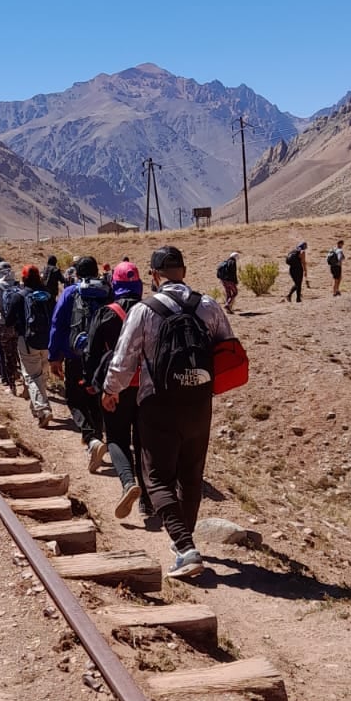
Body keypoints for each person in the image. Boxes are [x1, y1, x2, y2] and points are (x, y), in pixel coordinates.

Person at [101, 245, 233, 580]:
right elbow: (227, 347)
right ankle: (183, 543)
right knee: (190, 475)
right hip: (200, 402)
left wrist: (110, 391)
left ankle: (186, 548)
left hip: (157, 402)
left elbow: (124, 357)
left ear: (154, 275)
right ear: (184, 272)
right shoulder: (208, 305)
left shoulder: (145, 310)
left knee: (156, 477)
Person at [84, 260, 151, 518]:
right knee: (144, 441)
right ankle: (147, 501)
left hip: (116, 387)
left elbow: (91, 352)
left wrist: (92, 383)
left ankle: (127, 482)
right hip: (147, 387)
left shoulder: (106, 313)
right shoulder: (151, 311)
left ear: (115, 285)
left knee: (116, 438)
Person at [48, 256, 111, 462]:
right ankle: (98, 437)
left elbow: (57, 325)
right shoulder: (107, 291)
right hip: (102, 356)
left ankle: (91, 439)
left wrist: (54, 356)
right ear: (97, 271)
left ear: (77, 273)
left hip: (75, 354)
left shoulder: (70, 292)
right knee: (95, 397)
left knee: (75, 399)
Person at [17, 265, 54, 426]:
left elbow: (9, 318)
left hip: (28, 342)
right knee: (41, 374)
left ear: (24, 278)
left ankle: (43, 409)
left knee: (32, 376)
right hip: (48, 341)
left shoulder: (19, 296)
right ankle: (35, 405)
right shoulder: (48, 295)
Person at [0, 262, 23, 393]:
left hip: (2, 325)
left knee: (8, 355)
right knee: (20, 353)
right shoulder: (18, 285)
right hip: (18, 325)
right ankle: (26, 383)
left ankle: (12, 385)